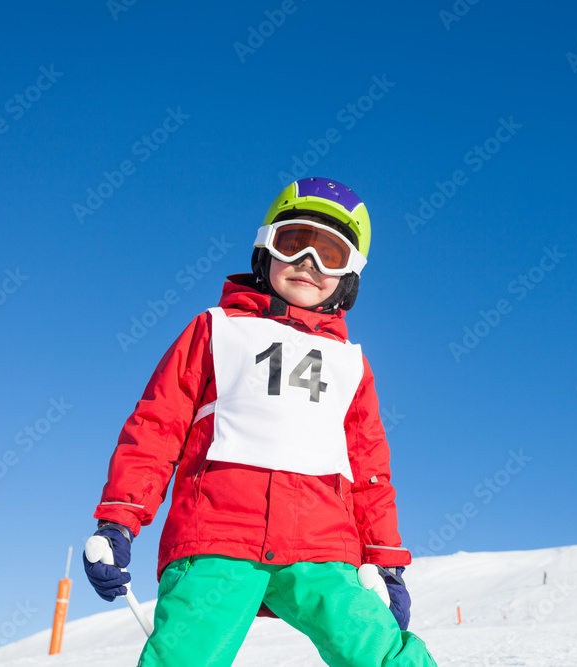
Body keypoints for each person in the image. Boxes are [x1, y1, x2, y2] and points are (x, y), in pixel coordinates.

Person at [83, 177, 437, 666]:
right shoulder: (216, 330)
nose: (308, 264)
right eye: (293, 244)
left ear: (349, 276)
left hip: (322, 551)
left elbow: (370, 470)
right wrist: (119, 519)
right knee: (184, 654)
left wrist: (386, 562)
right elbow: (157, 427)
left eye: (330, 254)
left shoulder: (350, 363)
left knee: (376, 652)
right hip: (216, 540)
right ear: (264, 249)